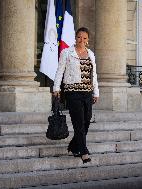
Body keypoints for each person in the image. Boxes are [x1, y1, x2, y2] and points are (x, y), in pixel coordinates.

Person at [53, 27, 99, 164]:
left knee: (86, 120)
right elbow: (60, 71)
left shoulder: (91, 54)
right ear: (75, 38)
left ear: (88, 40)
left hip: (87, 92)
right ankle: (83, 151)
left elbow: (94, 75)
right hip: (72, 92)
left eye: (84, 38)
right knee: (78, 122)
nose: (81, 40)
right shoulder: (67, 53)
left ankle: (74, 146)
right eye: (79, 37)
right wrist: (56, 88)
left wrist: (96, 91)